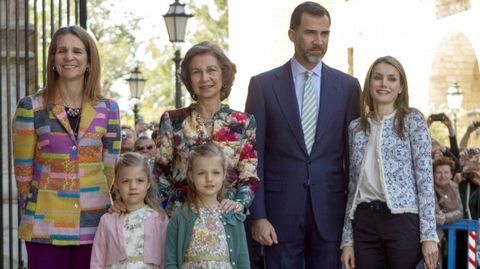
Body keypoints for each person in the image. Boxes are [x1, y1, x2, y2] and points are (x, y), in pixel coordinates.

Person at [244, 2, 361, 268]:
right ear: (292, 34)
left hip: (330, 213)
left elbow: (354, 159)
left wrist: (351, 225)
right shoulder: (262, 86)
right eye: (310, 32)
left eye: (325, 34)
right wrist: (258, 216)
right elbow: (253, 156)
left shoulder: (348, 87)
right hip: (278, 215)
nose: (318, 41)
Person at [12, 25, 121, 268]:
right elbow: (22, 173)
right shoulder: (31, 107)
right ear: (53, 59)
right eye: (61, 51)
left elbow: (110, 168)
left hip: (94, 223)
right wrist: (33, 208)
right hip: (44, 224)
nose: (69, 57)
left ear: (89, 60)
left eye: (77, 51)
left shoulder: (109, 109)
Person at [340, 56, 439, 269]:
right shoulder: (355, 128)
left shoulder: (413, 121)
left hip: (403, 221)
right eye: (378, 78)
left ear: (401, 86)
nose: (384, 84)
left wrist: (429, 236)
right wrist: (347, 240)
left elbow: (425, 182)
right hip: (364, 222)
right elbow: (353, 185)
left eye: (392, 79)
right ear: (369, 84)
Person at [155, 41, 258, 216]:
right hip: (182, 219)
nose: (204, 78)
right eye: (196, 72)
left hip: (227, 219)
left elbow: (249, 176)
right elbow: (159, 176)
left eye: (211, 70)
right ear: (189, 79)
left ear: (223, 75)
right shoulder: (173, 120)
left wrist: (239, 204)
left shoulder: (243, 122)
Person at [165, 143, 250, 268]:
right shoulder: (180, 216)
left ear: (223, 174)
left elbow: (243, 261)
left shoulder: (233, 216)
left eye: (215, 172)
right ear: (191, 175)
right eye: (201, 173)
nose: (209, 178)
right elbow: (170, 262)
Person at [91, 152, 168, 268]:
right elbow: (97, 261)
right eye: (126, 181)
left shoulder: (160, 219)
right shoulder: (107, 221)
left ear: (148, 183)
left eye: (140, 181)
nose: (133, 186)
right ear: (116, 184)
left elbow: (166, 259)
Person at [433, 156, 463, 226]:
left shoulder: (454, 186)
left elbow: (460, 212)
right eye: (439, 172)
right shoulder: (429, 189)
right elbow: (436, 214)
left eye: (446, 172)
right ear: (433, 174)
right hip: (436, 232)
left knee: (472, 235)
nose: (443, 176)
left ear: (451, 175)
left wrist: (445, 217)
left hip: (453, 231)